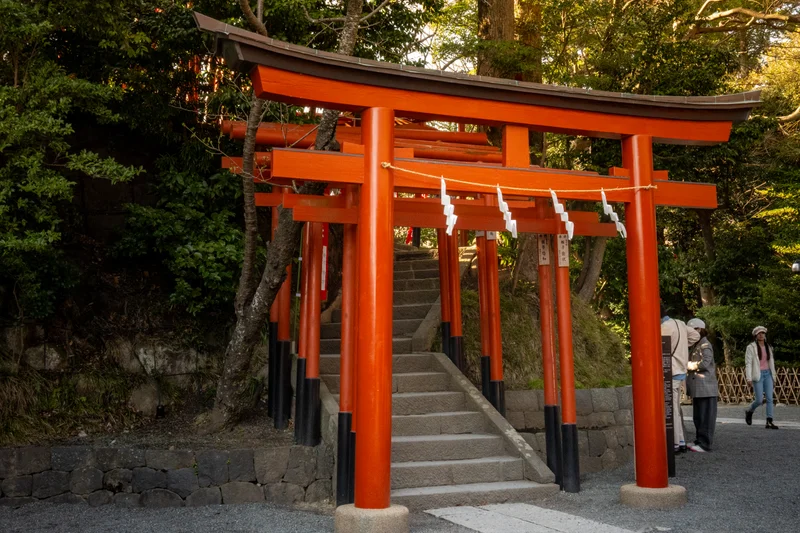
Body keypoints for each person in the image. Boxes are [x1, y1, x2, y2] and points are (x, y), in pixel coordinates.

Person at [661, 304, 700, 454]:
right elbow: (696, 336)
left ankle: (675, 442)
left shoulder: (663, 328)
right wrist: (684, 347)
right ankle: (681, 440)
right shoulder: (680, 323)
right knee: (675, 408)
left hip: (670, 371)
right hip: (681, 369)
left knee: (671, 409)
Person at [685, 318, 718, 452]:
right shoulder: (697, 344)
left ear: (699, 330)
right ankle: (699, 440)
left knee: (706, 417)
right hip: (700, 387)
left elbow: (705, 363)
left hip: (706, 387)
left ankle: (705, 444)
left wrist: (688, 365)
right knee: (698, 416)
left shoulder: (705, 345)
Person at [744, 326, 779, 429]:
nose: (761, 335)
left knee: (769, 398)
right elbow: (748, 363)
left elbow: (771, 363)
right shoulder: (751, 347)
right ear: (756, 335)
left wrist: (774, 377)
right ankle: (749, 411)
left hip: (768, 374)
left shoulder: (769, 347)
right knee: (759, 400)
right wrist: (749, 378)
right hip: (757, 374)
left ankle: (769, 420)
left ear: (765, 335)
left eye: (763, 333)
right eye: (759, 333)